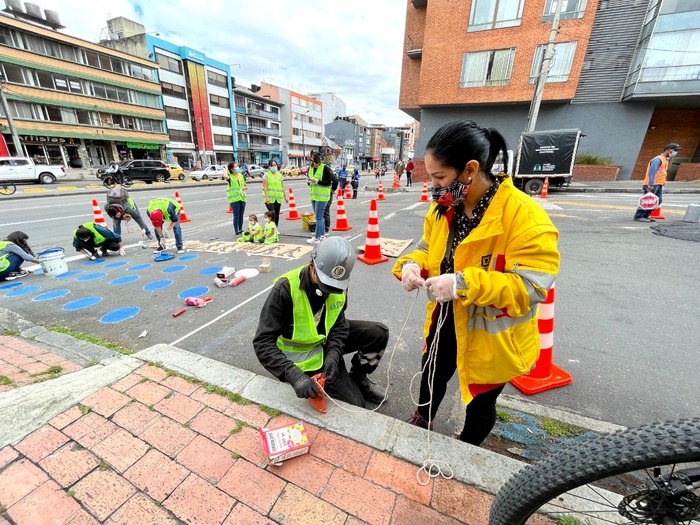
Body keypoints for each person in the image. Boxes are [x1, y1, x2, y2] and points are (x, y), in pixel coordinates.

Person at [393, 120, 560, 446]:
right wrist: (412, 265)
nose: (433, 186)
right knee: (431, 373)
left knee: (481, 401)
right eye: (430, 177)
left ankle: (467, 449)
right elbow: (428, 248)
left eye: (439, 177)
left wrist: (462, 284)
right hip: (444, 318)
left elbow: (532, 285)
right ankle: (422, 416)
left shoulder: (523, 215)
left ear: (469, 170)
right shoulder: (443, 209)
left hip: (492, 335)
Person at [253, 237, 388, 408]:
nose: (328, 292)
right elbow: (262, 343)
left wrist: (333, 353)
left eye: (334, 288)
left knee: (378, 333)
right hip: (300, 358)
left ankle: (358, 377)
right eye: (325, 285)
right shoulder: (285, 289)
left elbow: (339, 325)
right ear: (312, 266)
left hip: (324, 344)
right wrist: (294, 375)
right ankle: (307, 375)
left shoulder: (338, 284)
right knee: (356, 403)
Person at [633, 143, 681, 223]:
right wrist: (651, 184)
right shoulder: (658, 159)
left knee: (657, 201)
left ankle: (646, 215)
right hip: (652, 184)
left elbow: (662, 173)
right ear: (668, 150)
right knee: (648, 200)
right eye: (675, 150)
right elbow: (652, 172)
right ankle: (639, 216)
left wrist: (662, 183)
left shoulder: (665, 160)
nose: (676, 152)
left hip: (659, 184)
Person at [306, 151, 334, 245]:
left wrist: (317, 181)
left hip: (322, 197)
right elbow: (309, 182)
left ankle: (317, 238)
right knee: (319, 217)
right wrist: (309, 181)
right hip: (314, 196)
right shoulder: (310, 168)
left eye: (317, 157)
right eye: (314, 157)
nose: (315, 159)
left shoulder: (325, 168)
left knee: (319, 217)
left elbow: (328, 182)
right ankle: (322, 236)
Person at [223, 160, 247, 236]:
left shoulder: (241, 175)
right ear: (232, 169)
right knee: (236, 215)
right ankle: (236, 231)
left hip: (242, 197)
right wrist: (226, 169)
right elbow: (225, 176)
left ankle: (240, 229)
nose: (238, 168)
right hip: (234, 199)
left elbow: (245, 185)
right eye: (236, 167)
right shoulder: (230, 176)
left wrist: (244, 188)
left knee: (241, 215)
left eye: (237, 166)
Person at [262, 159, 287, 227]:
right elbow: (265, 187)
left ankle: (275, 228)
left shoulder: (280, 175)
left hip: (278, 198)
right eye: (272, 165)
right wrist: (267, 198)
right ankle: (271, 228)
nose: (274, 167)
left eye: (275, 165)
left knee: (277, 214)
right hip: (269, 198)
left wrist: (285, 197)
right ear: (269, 166)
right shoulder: (266, 175)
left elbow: (282, 187)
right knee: (272, 214)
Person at [324, 166, 339, 234]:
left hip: (327, 194)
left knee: (325, 211)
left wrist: (333, 189)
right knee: (321, 213)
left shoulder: (327, 170)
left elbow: (335, 180)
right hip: (322, 195)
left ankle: (326, 230)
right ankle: (322, 229)